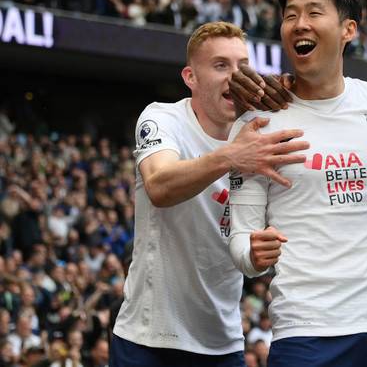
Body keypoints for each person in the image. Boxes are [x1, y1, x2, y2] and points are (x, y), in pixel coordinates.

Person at [227, 0, 367, 367]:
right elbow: (241, 240)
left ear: (348, 30)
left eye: (313, 12)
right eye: (290, 15)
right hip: (308, 330)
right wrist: (252, 252)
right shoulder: (257, 124)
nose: (300, 24)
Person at [110, 21, 309, 367]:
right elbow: (159, 186)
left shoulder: (262, 135)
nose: (236, 76)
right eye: (220, 65)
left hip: (222, 343)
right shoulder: (163, 118)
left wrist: (257, 254)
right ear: (191, 77)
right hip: (149, 338)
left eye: (242, 65)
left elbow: (248, 253)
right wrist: (231, 155)